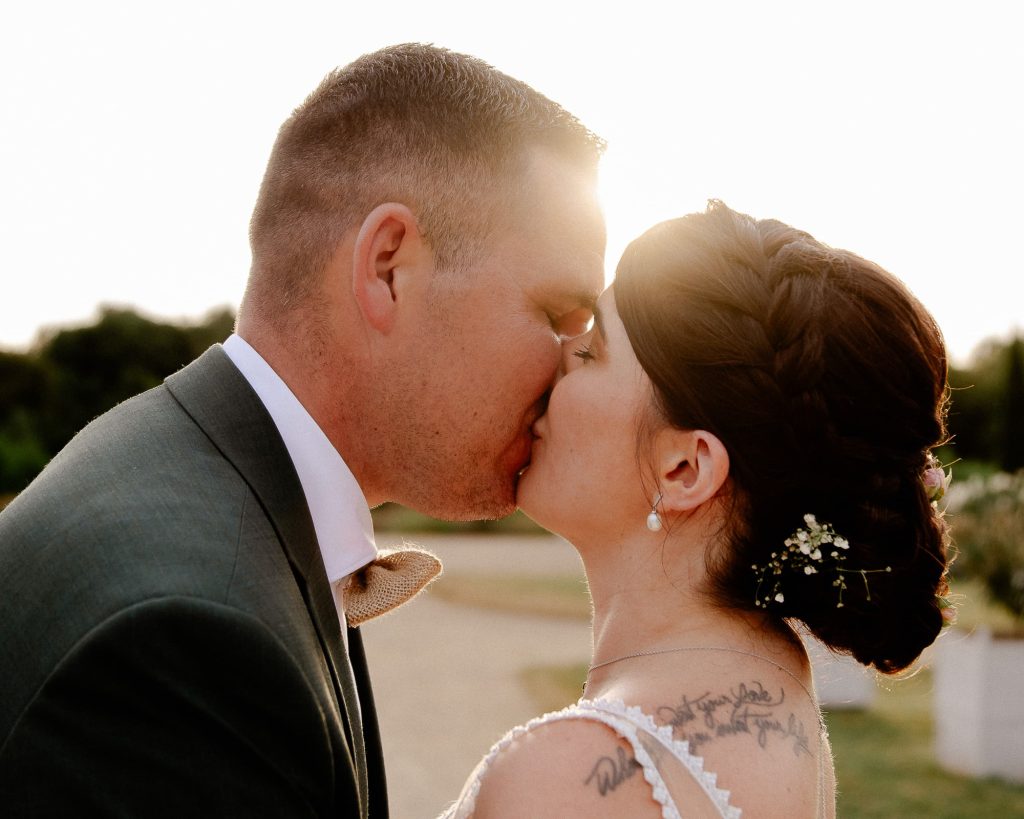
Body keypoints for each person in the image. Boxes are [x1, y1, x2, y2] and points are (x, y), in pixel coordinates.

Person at [0, 44, 605, 816]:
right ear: (388, 266)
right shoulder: (190, 639)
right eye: (557, 316)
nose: (569, 368)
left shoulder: (185, 474)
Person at [442, 202, 952, 818]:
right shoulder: (776, 680)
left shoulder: (568, 778)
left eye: (592, 352)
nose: (555, 357)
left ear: (685, 470)